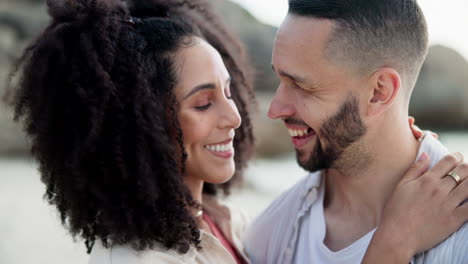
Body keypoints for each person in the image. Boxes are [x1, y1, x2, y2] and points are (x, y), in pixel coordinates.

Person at [4, 0, 467, 263]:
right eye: (203, 102)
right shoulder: (155, 256)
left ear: (380, 94)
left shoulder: (237, 229)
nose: (243, 117)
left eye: (228, 91)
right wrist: (390, 246)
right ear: (137, 126)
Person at [244, 0, 468, 263]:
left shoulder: (460, 238)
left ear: (378, 93)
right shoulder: (271, 232)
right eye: (280, 80)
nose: (275, 109)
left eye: (302, 86)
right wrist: (391, 245)